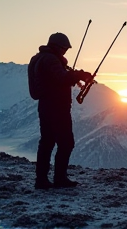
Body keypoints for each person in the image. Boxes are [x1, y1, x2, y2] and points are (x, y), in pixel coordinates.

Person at [28, 32, 92, 189]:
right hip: (57, 108)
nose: (65, 51)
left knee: (47, 142)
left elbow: (58, 78)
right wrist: (79, 75)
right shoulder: (50, 60)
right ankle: (59, 178)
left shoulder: (40, 58)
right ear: (57, 46)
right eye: (64, 48)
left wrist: (74, 75)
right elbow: (62, 78)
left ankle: (41, 179)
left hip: (45, 106)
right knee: (66, 143)